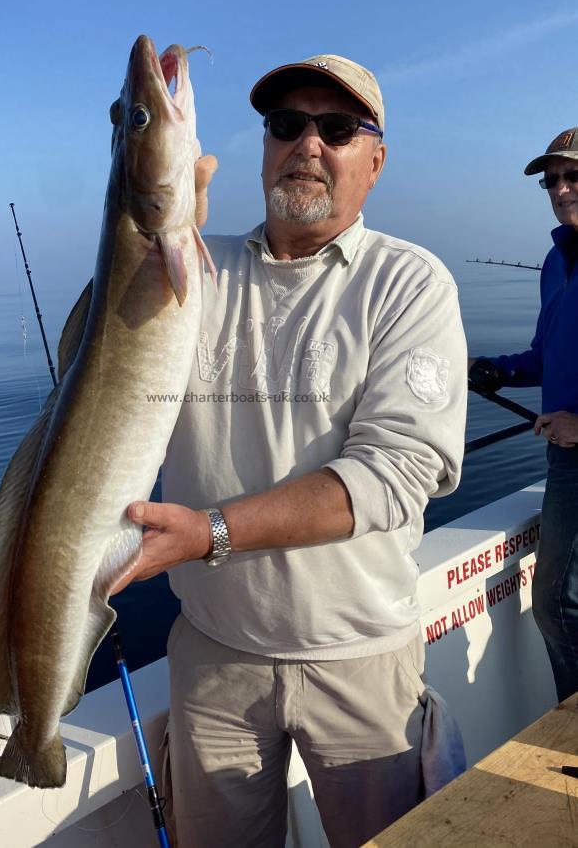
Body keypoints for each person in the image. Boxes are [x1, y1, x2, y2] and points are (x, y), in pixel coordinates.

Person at [115, 54, 468, 847]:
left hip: (360, 659)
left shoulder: (409, 284)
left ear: (373, 162)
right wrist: (155, 244)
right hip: (212, 657)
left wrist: (209, 531)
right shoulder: (192, 276)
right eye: (286, 125)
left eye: (336, 129)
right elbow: (104, 367)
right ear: (264, 147)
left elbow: (398, 470)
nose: (307, 143)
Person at [468, 127, 578, 704]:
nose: (560, 188)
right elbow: (545, 354)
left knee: (558, 609)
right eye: (551, 179)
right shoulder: (555, 262)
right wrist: (495, 370)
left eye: (573, 175)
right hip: (563, 461)